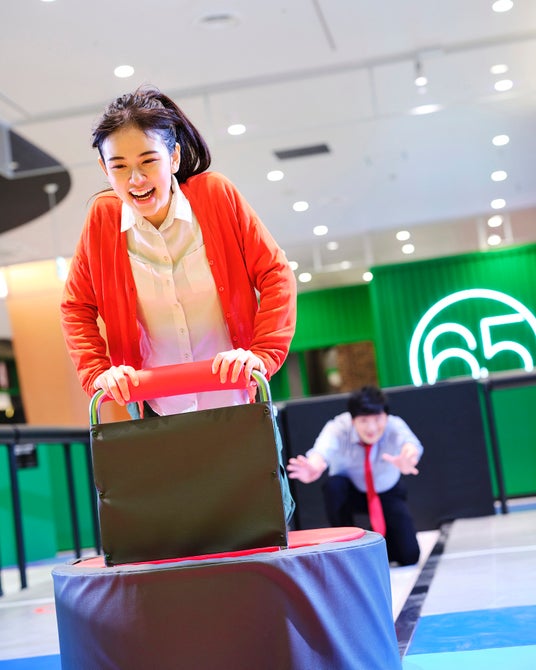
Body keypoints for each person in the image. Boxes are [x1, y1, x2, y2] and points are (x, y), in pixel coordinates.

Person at [60, 85, 296, 521]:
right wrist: (98, 373)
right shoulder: (102, 219)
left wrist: (262, 354)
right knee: (179, 531)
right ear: (104, 169)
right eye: (119, 166)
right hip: (158, 413)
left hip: (238, 402)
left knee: (261, 524)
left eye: (148, 161)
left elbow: (275, 274)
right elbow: (76, 307)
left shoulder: (216, 195)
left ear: (173, 157)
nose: (136, 179)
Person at [287, 386, 423, 564]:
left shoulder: (394, 425)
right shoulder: (338, 427)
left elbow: (410, 444)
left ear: (386, 416)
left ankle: (378, 542)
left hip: (387, 491)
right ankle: (345, 548)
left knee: (409, 555)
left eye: (377, 419)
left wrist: (408, 457)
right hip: (351, 491)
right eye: (364, 420)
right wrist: (313, 466)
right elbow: (321, 451)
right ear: (353, 420)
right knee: (333, 487)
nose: (371, 427)